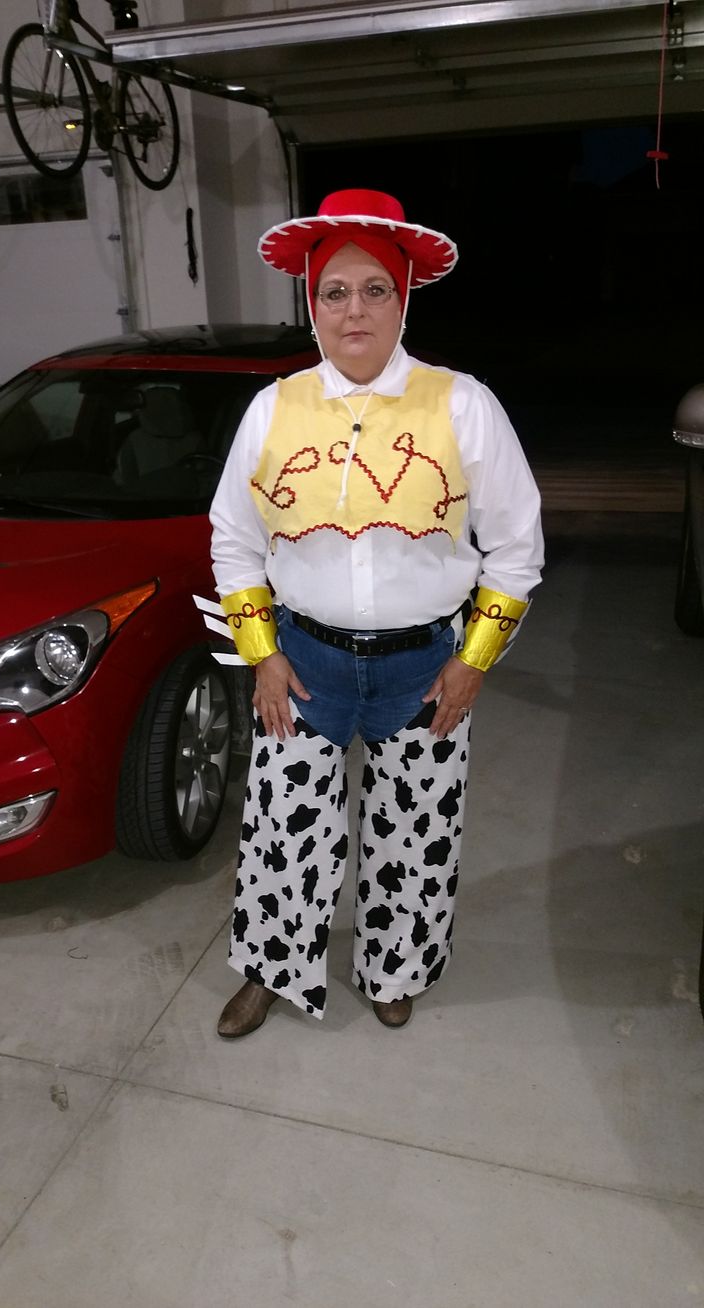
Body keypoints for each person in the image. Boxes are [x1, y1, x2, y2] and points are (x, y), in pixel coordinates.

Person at [209, 188, 543, 1038]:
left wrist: (471, 663)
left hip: (422, 666)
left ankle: (395, 966)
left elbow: (516, 550)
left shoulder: (463, 403)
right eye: (334, 292)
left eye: (373, 290)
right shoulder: (273, 408)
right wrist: (263, 654)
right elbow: (234, 541)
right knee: (281, 833)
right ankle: (275, 967)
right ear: (312, 305)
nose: (352, 309)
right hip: (305, 664)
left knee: (415, 838)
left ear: (403, 297)